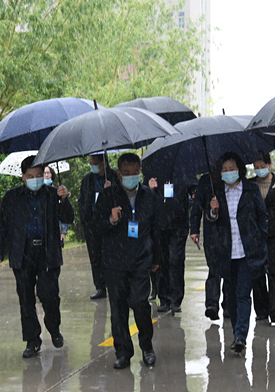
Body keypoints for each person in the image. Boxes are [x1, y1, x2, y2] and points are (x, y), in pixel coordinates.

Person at [0, 156, 75, 358]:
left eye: (39, 175)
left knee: (49, 294)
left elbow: (68, 218)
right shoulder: (12, 197)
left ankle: (53, 328)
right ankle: (32, 340)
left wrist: (64, 199)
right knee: (25, 297)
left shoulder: (53, 194)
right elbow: (1, 225)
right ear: (23, 177)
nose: (35, 179)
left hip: (48, 251)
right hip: (22, 252)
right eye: (30, 176)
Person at [94, 153, 160, 369]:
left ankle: (147, 347)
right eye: (127, 173)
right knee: (118, 308)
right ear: (119, 174)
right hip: (115, 261)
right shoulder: (108, 195)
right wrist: (111, 219)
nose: (131, 176)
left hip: (141, 258)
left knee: (140, 303)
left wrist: (157, 258)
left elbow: (156, 229)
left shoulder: (149, 195)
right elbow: (96, 226)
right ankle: (122, 352)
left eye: (135, 172)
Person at [205, 152, 268, 354]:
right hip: (226, 252)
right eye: (225, 169)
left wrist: (260, 237)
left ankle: (241, 336)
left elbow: (262, 215)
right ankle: (235, 332)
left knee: (243, 294)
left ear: (239, 169)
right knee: (230, 296)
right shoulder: (217, 192)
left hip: (247, 250)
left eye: (231, 168)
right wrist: (213, 210)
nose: (228, 172)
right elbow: (210, 221)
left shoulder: (251, 189)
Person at [250, 154, 275, 323]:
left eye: (262, 166)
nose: (260, 170)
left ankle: (274, 309)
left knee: (273, 272)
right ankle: (261, 310)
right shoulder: (250, 185)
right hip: (255, 235)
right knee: (257, 274)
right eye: (256, 167)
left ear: (270, 164)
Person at [146, 172, 189, 313]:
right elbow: (145, 199)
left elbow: (192, 194)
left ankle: (176, 299)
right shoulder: (153, 172)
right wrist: (151, 189)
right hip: (159, 225)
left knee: (176, 261)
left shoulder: (183, 171)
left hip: (179, 225)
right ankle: (164, 298)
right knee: (161, 262)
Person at [78, 153, 117, 299]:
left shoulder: (114, 176)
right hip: (92, 224)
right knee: (95, 256)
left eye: (94, 163)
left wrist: (109, 190)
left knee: (110, 255)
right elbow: (82, 200)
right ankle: (100, 286)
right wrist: (85, 219)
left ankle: (113, 284)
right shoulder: (87, 179)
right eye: (90, 162)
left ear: (104, 163)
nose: (92, 165)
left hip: (109, 222)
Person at [190, 172, 228, 320]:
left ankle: (229, 305)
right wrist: (194, 229)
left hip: (232, 233)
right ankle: (212, 305)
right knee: (214, 269)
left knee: (230, 270)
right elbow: (197, 207)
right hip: (212, 233)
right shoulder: (206, 181)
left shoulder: (236, 181)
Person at [44, 165, 70, 247]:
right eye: (44, 173)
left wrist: (63, 231)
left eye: (48, 172)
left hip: (55, 232)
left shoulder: (57, 192)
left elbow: (64, 213)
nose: (46, 175)